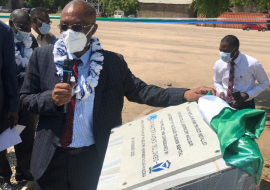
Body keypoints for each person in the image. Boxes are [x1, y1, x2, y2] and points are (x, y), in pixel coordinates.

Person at [20, 1, 216, 189]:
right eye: (64, 26)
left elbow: (141, 91)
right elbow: (26, 99)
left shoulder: (112, 63)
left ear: (93, 29)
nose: (69, 32)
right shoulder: (42, 57)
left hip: (93, 159)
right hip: (51, 158)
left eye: (77, 26)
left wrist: (184, 94)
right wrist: (50, 99)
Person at [2, 9, 39, 187]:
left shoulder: (31, 41)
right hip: (8, 100)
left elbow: (36, 66)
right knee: (4, 140)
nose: (26, 30)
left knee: (25, 137)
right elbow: (8, 73)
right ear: (12, 24)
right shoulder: (5, 38)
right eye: (22, 27)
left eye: (28, 27)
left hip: (27, 100)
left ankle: (24, 172)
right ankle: (4, 175)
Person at [213, 35, 269, 110]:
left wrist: (248, 95)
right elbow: (217, 81)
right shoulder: (219, 64)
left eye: (226, 51)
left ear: (235, 49)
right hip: (225, 104)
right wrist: (221, 91)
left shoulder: (252, 63)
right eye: (221, 50)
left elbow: (264, 82)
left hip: (246, 105)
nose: (222, 54)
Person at [0, 21, 19, 190]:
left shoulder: (4, 31)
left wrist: (13, 106)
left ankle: (4, 176)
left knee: (0, 142)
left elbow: (9, 72)